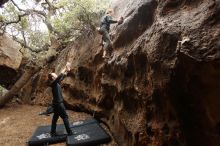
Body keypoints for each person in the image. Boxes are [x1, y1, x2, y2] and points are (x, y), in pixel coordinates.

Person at [48, 62, 73, 136]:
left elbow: (62, 76)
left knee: (55, 118)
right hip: (59, 104)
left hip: (56, 104)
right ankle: (69, 132)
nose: (56, 74)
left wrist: (67, 70)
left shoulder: (56, 82)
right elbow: (59, 76)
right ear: (53, 77)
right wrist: (65, 67)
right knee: (65, 117)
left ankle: (52, 132)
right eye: (54, 74)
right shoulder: (53, 83)